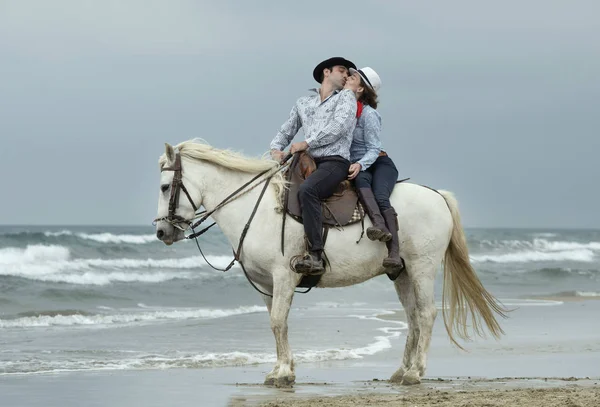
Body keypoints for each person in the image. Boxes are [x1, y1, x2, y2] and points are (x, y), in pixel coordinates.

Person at [270, 57, 358, 274]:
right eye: (341, 70)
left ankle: (316, 255)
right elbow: (286, 130)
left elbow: (339, 127)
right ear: (326, 72)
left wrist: (307, 142)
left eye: (348, 72)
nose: (346, 74)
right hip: (306, 161)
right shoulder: (303, 103)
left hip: (334, 161)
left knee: (309, 190)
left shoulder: (346, 98)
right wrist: (275, 149)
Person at [345, 67, 405, 277]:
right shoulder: (343, 112)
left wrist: (360, 163)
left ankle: (394, 252)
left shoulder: (369, 115)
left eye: (353, 77)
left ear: (361, 88)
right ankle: (379, 225)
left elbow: (373, 148)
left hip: (378, 162)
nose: (347, 78)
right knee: (360, 181)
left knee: (380, 195)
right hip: (358, 166)